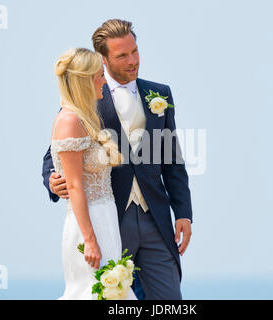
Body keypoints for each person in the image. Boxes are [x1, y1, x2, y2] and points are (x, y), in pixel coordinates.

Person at [43, 19, 193, 300]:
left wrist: (183, 212)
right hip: (111, 218)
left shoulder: (159, 94)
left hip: (156, 218)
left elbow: (173, 159)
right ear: (103, 58)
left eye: (134, 51)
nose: (132, 60)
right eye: (122, 55)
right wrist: (53, 180)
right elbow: (56, 153)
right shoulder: (85, 99)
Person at [50, 47, 136, 300]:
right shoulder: (70, 121)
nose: (104, 80)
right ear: (85, 81)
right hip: (88, 225)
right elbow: (75, 186)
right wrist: (89, 240)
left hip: (106, 219)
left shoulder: (86, 119)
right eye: (100, 75)